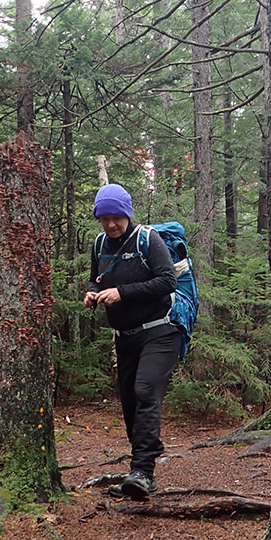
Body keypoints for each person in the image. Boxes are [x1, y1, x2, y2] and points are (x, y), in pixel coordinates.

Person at [84, 184, 180, 499]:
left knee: (145, 392)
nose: (111, 224)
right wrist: (92, 293)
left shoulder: (147, 240)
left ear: (127, 213)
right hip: (125, 338)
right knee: (129, 402)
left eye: (116, 217)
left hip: (160, 331)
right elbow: (96, 277)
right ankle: (138, 468)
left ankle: (143, 471)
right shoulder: (100, 244)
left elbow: (168, 280)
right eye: (104, 218)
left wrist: (123, 292)